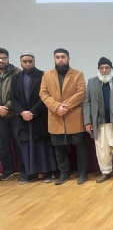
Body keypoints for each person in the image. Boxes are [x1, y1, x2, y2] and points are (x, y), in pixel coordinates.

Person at [39, 48, 88, 185]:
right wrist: (56, 107)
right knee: (59, 148)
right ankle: (64, 173)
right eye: (58, 57)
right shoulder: (47, 75)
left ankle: (83, 173)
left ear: (68, 58)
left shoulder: (78, 74)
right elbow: (43, 94)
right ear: (54, 59)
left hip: (74, 116)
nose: (60, 60)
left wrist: (64, 106)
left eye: (63, 57)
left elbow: (81, 93)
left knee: (80, 147)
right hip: (56, 117)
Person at [10, 51, 57, 184]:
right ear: (21, 62)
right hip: (22, 119)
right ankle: (31, 173)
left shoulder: (43, 75)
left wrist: (33, 112)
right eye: (25, 61)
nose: (28, 63)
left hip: (39, 117)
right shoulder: (16, 78)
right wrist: (22, 112)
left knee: (43, 145)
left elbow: (46, 96)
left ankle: (48, 172)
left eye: (30, 61)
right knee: (26, 146)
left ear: (34, 61)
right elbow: (12, 97)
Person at [83, 57, 113, 183]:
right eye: (101, 68)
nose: (104, 70)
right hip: (99, 123)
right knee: (102, 149)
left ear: (111, 69)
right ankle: (105, 172)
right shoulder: (92, 82)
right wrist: (87, 121)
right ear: (98, 69)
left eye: (107, 68)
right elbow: (87, 102)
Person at [0, 47, 24, 182]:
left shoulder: (17, 73)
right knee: (2, 144)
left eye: (3, 58)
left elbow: (18, 93)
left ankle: (23, 170)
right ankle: (7, 171)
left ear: (8, 58)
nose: (1, 60)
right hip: (0, 116)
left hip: (14, 114)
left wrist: (7, 107)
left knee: (19, 142)